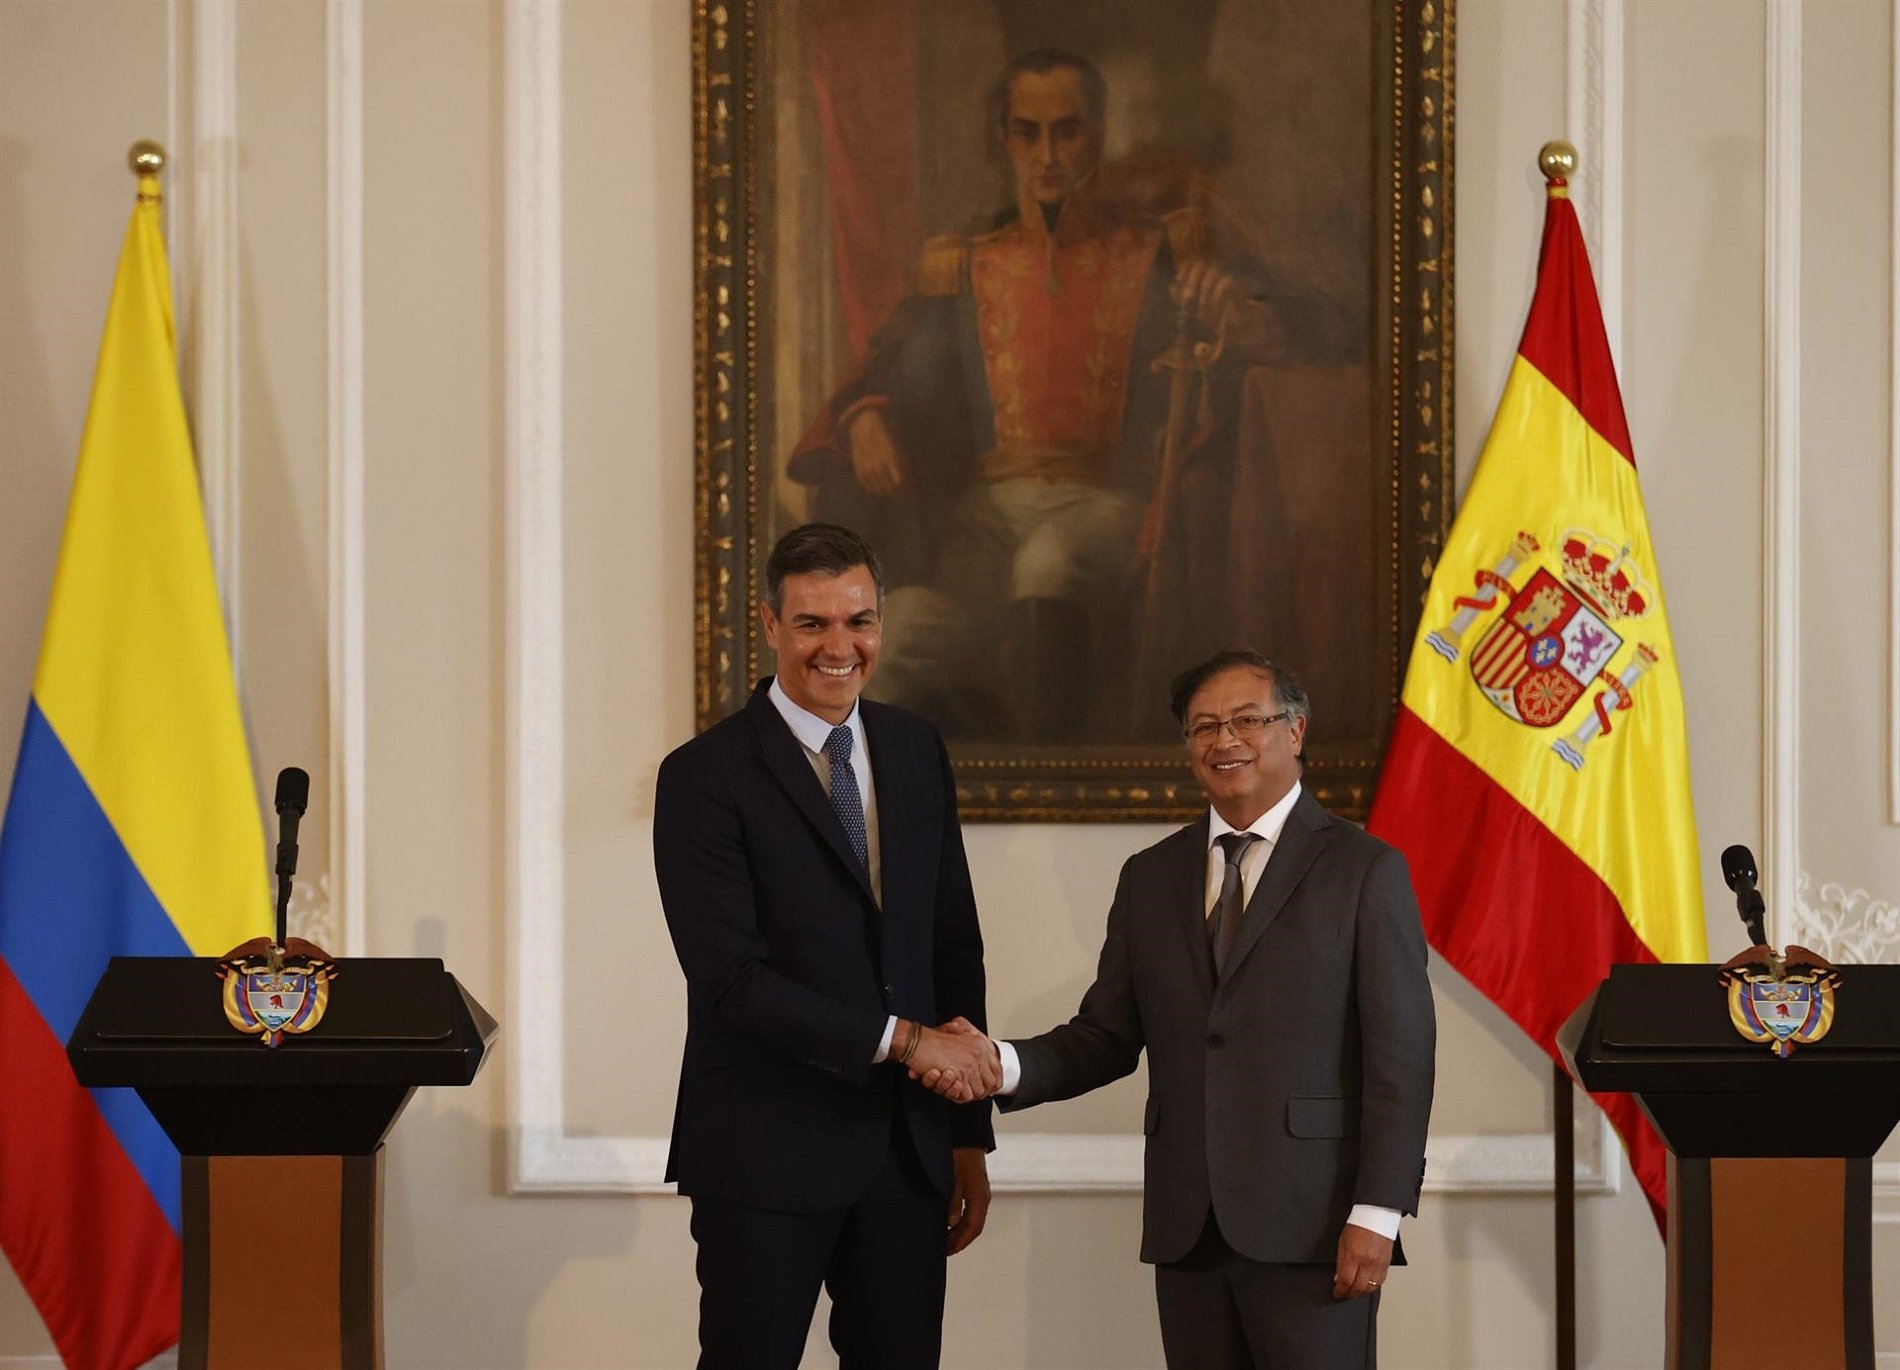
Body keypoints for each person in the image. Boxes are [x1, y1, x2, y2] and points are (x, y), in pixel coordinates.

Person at [789, 51, 1351, 742]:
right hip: (983, 523)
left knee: (1049, 560)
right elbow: (893, 370)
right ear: (1005, 141)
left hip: (1107, 510)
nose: (1048, 154)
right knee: (901, 632)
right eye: (1028, 133)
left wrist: (1245, 316)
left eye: (1068, 131)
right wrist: (865, 415)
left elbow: (1321, 323)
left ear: (1099, 131)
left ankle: (1052, 775)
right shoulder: (965, 261)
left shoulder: (1163, 249)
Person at [921, 651, 1435, 1368]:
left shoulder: (1364, 870)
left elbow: (1400, 1061)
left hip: (1316, 1230)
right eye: (1204, 727)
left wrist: (1377, 1215)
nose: (1225, 741)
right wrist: (996, 1063)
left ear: (1295, 732)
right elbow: (1103, 1037)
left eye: (1247, 720)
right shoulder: (1151, 877)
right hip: (1188, 1232)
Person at [653, 522, 1001, 1370]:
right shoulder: (703, 776)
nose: (838, 646)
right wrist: (907, 1042)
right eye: (813, 623)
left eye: (859, 621)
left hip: (906, 1155)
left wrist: (966, 1135)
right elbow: (731, 981)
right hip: (763, 1155)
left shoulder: (917, 751)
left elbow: (953, 942)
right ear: (770, 625)